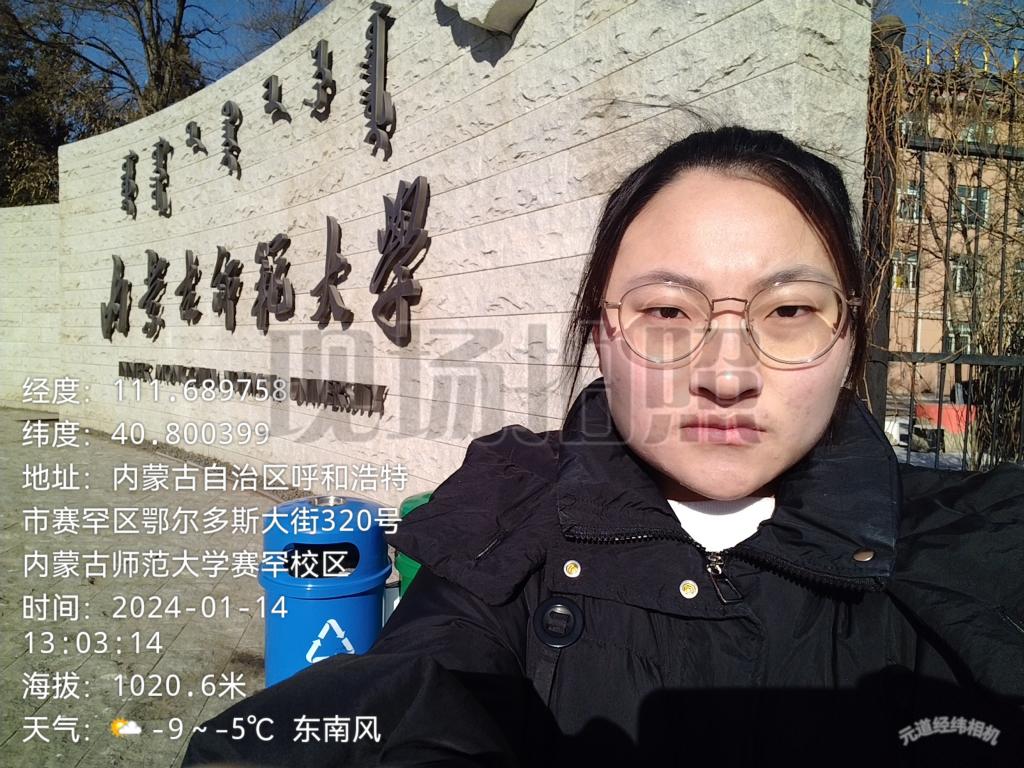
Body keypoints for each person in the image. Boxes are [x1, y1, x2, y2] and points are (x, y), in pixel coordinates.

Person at [182, 125, 1024, 768]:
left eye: (790, 311)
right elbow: (426, 682)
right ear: (601, 334)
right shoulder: (509, 519)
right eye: (667, 312)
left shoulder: (982, 550)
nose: (727, 373)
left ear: (850, 335)